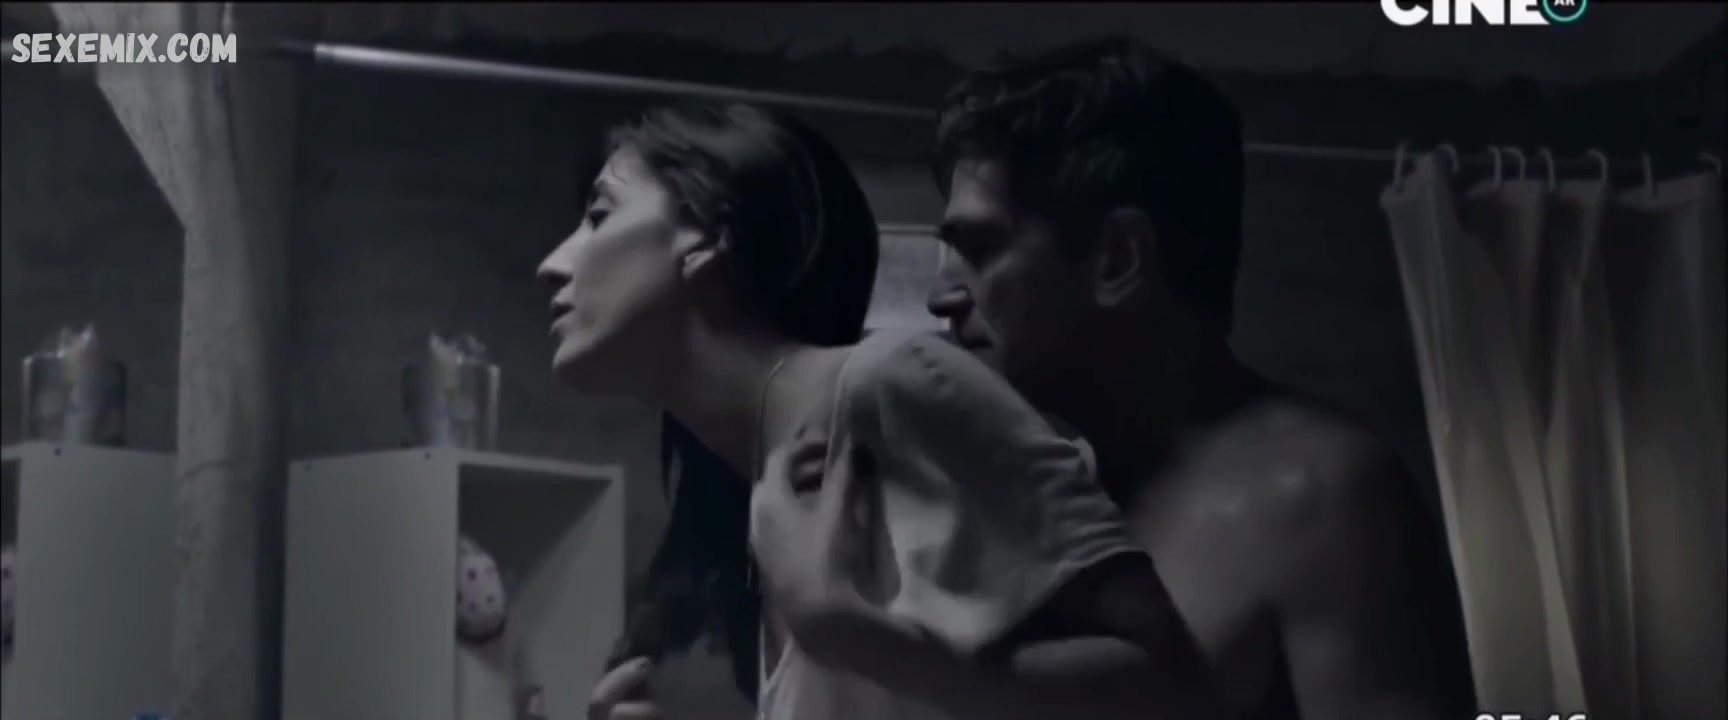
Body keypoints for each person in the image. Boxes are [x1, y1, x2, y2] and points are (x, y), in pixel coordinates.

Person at [552, 102, 1203, 720]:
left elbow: (1180, 695)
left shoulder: (891, 384)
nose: (551, 265)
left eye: (598, 216)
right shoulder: (754, 488)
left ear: (707, 236)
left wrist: (853, 635)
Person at [895, 37, 1466, 718]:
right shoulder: (1029, 486)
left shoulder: (1318, 497)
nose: (942, 297)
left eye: (981, 248)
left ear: (1117, 260)